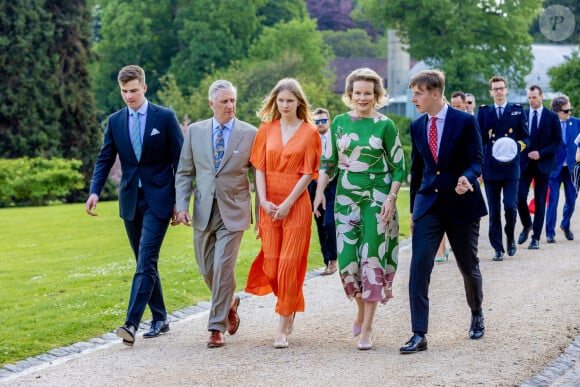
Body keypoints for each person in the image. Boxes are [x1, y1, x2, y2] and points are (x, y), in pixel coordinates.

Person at [85, 65, 184, 346]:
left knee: (146, 260)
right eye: (124, 92)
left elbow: (180, 161)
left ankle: (131, 323)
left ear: (144, 88)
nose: (129, 96)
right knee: (144, 262)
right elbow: (105, 158)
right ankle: (161, 317)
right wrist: (94, 191)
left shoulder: (164, 117)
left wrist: (179, 200)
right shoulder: (115, 121)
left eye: (133, 91)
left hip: (160, 200)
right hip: (130, 200)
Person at [313, 67, 406, 351]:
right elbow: (327, 163)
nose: (363, 98)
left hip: (378, 199)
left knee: (372, 260)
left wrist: (391, 197)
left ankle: (367, 328)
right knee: (348, 260)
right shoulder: (339, 122)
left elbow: (399, 166)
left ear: (376, 95)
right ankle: (361, 310)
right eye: (358, 93)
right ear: (350, 95)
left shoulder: (385, 125)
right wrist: (318, 194)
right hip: (345, 199)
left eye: (368, 93)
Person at [400, 69, 487, 354]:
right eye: (412, 92)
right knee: (419, 267)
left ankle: (476, 312)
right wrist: (414, 211)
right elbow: (417, 170)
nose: (413, 98)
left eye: (418, 93)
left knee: (468, 266)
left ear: (435, 94)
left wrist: (468, 178)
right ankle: (418, 333)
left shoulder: (464, 121)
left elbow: (477, 161)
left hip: (461, 205)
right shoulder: (416, 127)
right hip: (429, 206)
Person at [174, 80, 258, 348]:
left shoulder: (250, 133)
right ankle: (231, 301)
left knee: (223, 267)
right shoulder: (195, 132)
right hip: (202, 209)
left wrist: (263, 209)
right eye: (224, 101)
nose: (230, 105)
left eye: (233, 100)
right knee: (206, 268)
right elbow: (185, 172)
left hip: (234, 210)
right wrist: (181, 205)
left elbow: (260, 174)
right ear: (212, 104)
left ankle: (215, 327)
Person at [245, 78, 321, 349]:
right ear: (275, 102)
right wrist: (263, 201)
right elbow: (260, 168)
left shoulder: (310, 132)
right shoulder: (266, 129)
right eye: (281, 100)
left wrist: (288, 202)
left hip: (296, 204)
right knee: (272, 265)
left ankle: (282, 327)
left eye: (290, 100)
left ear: (299, 102)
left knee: (289, 264)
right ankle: (290, 303)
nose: (285, 104)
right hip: (269, 204)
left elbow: (308, 173)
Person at [477, 76, 529, 261]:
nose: (498, 92)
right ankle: (497, 248)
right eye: (495, 89)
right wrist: (479, 168)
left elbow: (526, 137)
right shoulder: (484, 112)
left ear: (506, 90)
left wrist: (517, 147)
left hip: (510, 168)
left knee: (509, 206)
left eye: (501, 88)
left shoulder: (516, 111)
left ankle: (510, 237)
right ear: (491, 92)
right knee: (494, 210)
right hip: (491, 168)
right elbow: (480, 140)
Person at [517, 85, 562, 249]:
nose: (531, 100)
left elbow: (557, 142)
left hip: (543, 164)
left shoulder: (551, 117)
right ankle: (527, 225)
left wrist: (541, 154)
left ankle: (535, 237)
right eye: (529, 98)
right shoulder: (522, 115)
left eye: (534, 97)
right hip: (524, 164)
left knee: (541, 200)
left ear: (541, 96)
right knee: (519, 197)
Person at [307, 107, 338, 275]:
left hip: (332, 187)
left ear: (329, 121)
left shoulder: (336, 139)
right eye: (316, 121)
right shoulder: (310, 140)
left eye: (323, 120)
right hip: (314, 186)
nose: (320, 124)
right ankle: (328, 261)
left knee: (329, 222)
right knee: (319, 224)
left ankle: (334, 258)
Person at [545, 95, 580, 243]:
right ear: (557, 111)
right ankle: (550, 232)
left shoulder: (577, 123)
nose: (569, 113)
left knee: (572, 201)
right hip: (554, 168)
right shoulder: (549, 124)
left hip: (572, 169)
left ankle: (565, 224)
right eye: (566, 111)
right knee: (552, 201)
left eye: (570, 110)